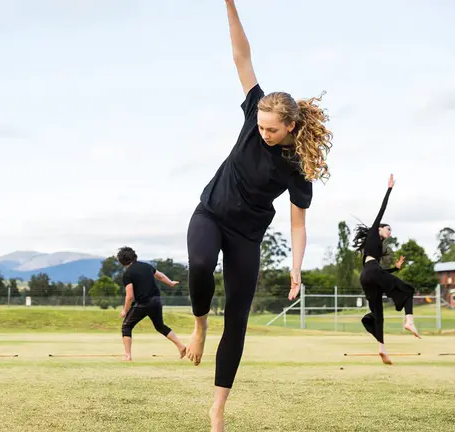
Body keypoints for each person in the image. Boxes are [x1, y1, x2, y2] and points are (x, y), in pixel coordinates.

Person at [185, 1, 333, 430]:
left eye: (272, 129)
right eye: (262, 126)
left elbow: (298, 223)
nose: (264, 133)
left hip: (247, 237)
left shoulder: (297, 165)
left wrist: (296, 268)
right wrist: (230, 4)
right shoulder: (254, 110)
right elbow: (241, 56)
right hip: (210, 213)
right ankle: (198, 325)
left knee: (238, 318)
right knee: (198, 265)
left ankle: (217, 408)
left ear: (289, 127)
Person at [352, 174, 421, 365]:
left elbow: (377, 273)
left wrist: (395, 269)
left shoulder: (374, 247)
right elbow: (382, 209)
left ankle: (382, 350)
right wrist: (389, 189)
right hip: (373, 272)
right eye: (388, 229)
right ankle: (409, 321)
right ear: (380, 228)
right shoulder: (374, 230)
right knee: (407, 290)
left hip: (366, 276)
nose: (389, 232)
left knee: (378, 315)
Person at [117, 247, 187, 361]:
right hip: (156, 301)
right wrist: (170, 283)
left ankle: (128, 356)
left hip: (143, 303)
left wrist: (125, 310)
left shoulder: (128, 274)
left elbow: (130, 296)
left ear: (122, 261)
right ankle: (181, 346)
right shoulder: (147, 266)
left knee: (126, 326)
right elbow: (160, 275)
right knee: (160, 326)